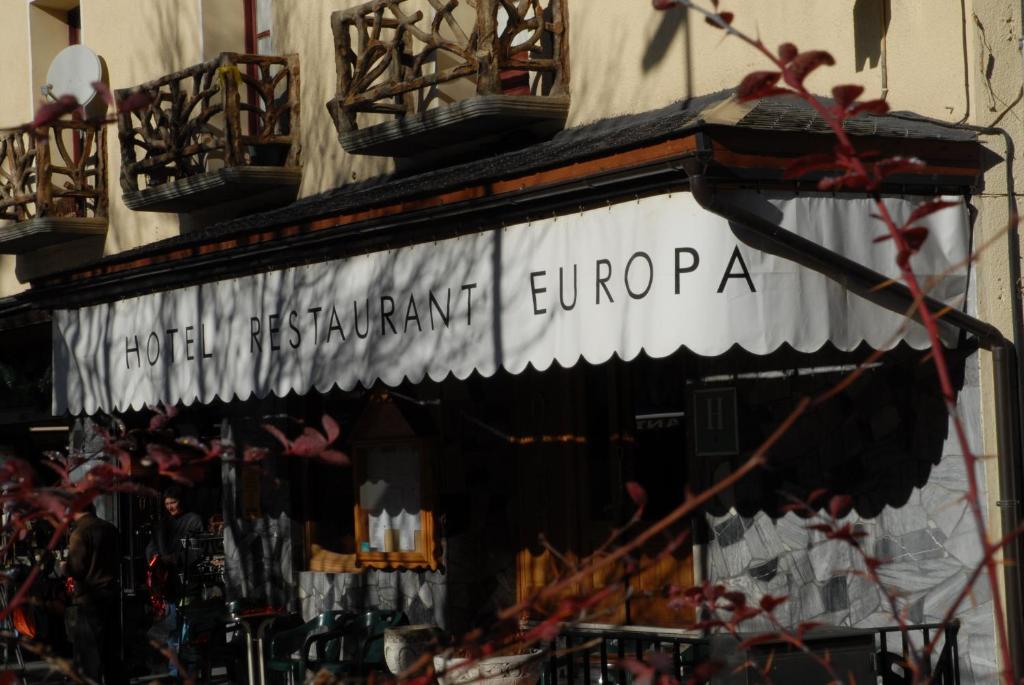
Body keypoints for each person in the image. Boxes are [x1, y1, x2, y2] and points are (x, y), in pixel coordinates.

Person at [64, 503, 127, 685]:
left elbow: (76, 569)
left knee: (89, 657)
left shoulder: (80, 533)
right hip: (111, 594)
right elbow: (120, 558)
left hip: (90, 599)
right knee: (112, 653)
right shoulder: (111, 529)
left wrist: (63, 567)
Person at [145, 485, 204, 674]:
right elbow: (151, 548)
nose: (170, 507)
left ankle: (190, 671)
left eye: (173, 502)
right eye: (167, 504)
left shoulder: (193, 520)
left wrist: (172, 559)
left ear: (182, 502)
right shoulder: (162, 524)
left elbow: (196, 551)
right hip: (169, 586)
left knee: (187, 632)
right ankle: (175, 671)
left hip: (189, 584)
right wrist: (156, 559)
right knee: (172, 631)